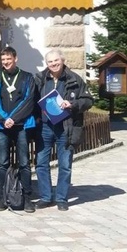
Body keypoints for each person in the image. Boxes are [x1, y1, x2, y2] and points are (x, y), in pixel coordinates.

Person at [34, 49, 93, 211]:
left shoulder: (75, 79)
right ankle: (46, 197)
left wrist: (72, 105)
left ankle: (61, 199)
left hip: (66, 128)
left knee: (65, 165)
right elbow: (31, 100)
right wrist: (35, 116)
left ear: (62, 60)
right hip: (45, 127)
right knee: (41, 164)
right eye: (50, 62)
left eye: (56, 61)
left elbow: (88, 100)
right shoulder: (39, 79)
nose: (53, 64)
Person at [0, 46, 37, 213]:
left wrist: (13, 118)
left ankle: (27, 198)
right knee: (3, 163)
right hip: (1, 127)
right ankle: (3, 197)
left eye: (8, 59)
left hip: (21, 125)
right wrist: (4, 119)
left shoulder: (27, 77)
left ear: (15, 59)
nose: (6, 62)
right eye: (3, 60)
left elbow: (29, 100)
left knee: (24, 163)